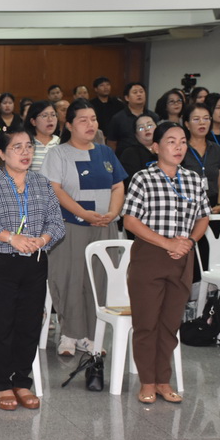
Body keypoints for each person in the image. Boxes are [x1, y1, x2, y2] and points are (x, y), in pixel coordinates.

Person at [0, 123, 65, 410]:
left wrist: (43, 240)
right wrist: (12, 238)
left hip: (35, 263)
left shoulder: (41, 183)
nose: (25, 152)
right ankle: (2, 384)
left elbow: (57, 223)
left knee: (29, 324)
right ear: (2, 153)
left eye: (29, 146)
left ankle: (22, 382)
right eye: (17, 147)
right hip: (2, 262)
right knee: (1, 324)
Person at [122, 122, 210, 403]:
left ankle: (163, 380)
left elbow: (203, 217)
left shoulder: (194, 179)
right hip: (150, 255)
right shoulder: (143, 178)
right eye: (171, 141)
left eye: (183, 141)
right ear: (156, 147)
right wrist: (167, 243)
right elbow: (130, 220)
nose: (178, 147)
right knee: (147, 323)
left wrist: (189, 241)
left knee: (170, 323)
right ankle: (147, 381)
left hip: (183, 257)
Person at [40, 98, 127, 356]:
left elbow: (118, 186)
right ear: (69, 125)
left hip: (104, 227)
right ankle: (69, 333)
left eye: (93, 119)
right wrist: (83, 213)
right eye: (83, 120)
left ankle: (91, 335)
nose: (90, 124)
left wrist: (113, 213)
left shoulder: (105, 152)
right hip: (71, 225)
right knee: (69, 279)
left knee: (98, 280)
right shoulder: (58, 153)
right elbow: (54, 189)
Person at [182, 103, 220, 212]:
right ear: (187, 124)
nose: (202, 122)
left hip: (214, 204)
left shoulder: (216, 148)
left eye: (206, 118)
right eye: (196, 119)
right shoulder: (181, 149)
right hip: (187, 206)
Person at [106, 82, 159, 158]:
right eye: (135, 92)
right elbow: (111, 143)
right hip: (124, 159)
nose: (139, 94)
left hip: (150, 158)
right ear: (127, 98)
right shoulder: (118, 118)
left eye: (141, 92)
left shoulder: (153, 117)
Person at [118, 115, 156, 191]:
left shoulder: (166, 149)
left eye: (149, 126)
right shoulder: (129, 153)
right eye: (141, 128)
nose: (146, 129)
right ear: (136, 134)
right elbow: (131, 182)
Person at [24, 100, 59, 172]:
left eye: (53, 115)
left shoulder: (60, 142)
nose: (50, 119)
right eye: (44, 116)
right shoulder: (26, 143)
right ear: (33, 121)